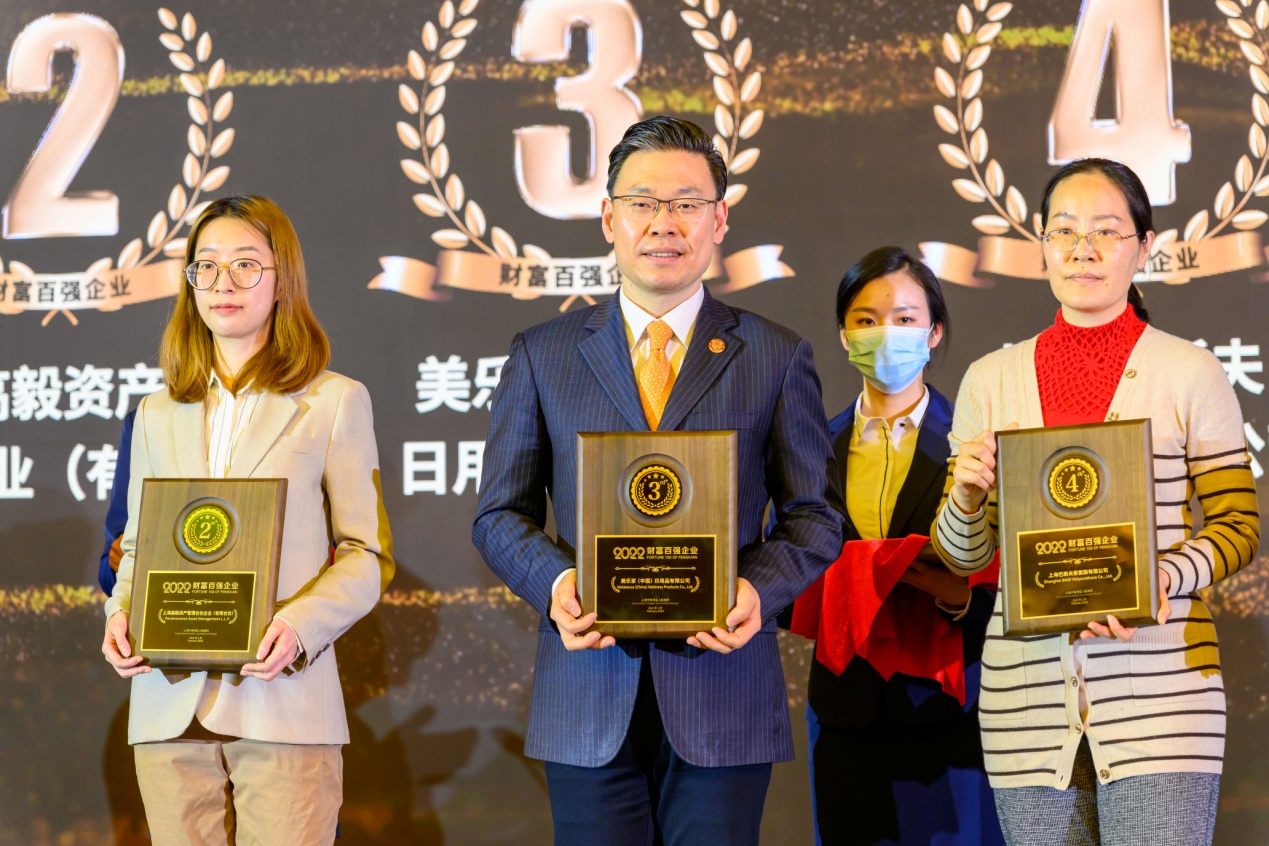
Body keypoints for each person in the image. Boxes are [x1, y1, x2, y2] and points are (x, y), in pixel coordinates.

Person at [472, 115, 845, 846]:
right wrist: (558, 584)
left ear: (719, 219)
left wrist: (755, 589)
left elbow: (814, 515)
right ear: (608, 217)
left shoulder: (773, 354)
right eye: (642, 202)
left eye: (686, 203)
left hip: (722, 690)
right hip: (587, 691)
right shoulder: (544, 354)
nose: (662, 223)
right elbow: (498, 515)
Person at [931, 159, 1260, 845]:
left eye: (1106, 231)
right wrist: (965, 495)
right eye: (1064, 230)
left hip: (1163, 696)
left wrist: (1159, 577)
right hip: (1025, 708)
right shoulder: (990, 380)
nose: (1083, 248)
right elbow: (963, 557)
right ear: (1042, 244)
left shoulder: (1189, 371)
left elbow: (1237, 524)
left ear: (1144, 247)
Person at [101, 195, 394, 845]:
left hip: (282, 700)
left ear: (282, 279)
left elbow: (365, 555)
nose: (223, 283)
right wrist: (119, 614)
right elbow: (140, 547)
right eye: (205, 266)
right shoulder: (155, 413)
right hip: (168, 706)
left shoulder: (333, 401)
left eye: (244, 265)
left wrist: (298, 627)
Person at [802, 246, 1003, 845]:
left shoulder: (977, 445)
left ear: (934, 332)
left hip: (954, 710)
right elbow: (789, 565)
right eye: (866, 320)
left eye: (905, 318)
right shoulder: (810, 447)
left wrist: (958, 598)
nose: (885, 333)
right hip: (846, 710)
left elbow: (1016, 577)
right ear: (845, 336)